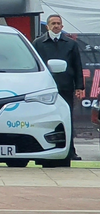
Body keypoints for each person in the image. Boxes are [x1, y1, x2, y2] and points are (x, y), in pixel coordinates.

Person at [33, 15, 85, 158]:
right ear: (47, 26)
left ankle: (70, 151)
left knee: (67, 118)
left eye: (58, 23)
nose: (56, 26)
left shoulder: (71, 44)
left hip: (65, 87)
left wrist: (79, 87)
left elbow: (77, 66)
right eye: (53, 23)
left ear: (62, 26)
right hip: (45, 88)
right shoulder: (38, 43)